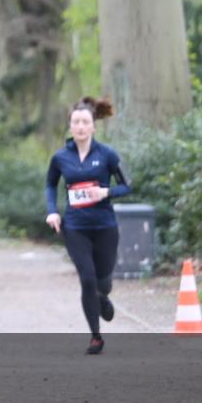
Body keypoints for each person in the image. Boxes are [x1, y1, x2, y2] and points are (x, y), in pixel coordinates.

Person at [45, 97, 132, 355]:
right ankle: (96, 336)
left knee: (103, 282)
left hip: (105, 226)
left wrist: (106, 192)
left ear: (94, 126)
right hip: (75, 227)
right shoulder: (60, 157)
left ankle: (103, 296)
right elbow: (50, 184)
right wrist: (52, 211)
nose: (80, 127)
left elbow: (128, 185)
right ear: (70, 126)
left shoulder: (107, 154)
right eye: (76, 122)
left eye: (85, 122)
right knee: (87, 279)